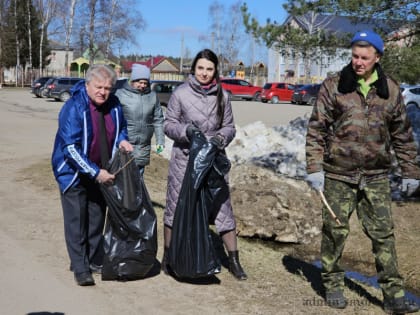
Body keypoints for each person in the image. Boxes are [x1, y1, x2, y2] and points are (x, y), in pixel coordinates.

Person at [305, 30, 420, 313]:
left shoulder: (391, 90)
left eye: (364, 58)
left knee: (383, 234)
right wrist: (314, 167)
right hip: (338, 175)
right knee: (335, 231)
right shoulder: (335, 86)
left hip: (376, 176)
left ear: (377, 58)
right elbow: (317, 129)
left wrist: (410, 171)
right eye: (355, 56)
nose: (358, 62)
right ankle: (332, 284)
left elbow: (402, 135)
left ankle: (393, 295)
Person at [162, 48, 247, 280]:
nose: (205, 73)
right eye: (201, 68)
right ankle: (168, 258)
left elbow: (230, 127)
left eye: (209, 69)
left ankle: (234, 261)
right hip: (185, 161)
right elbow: (168, 124)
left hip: (214, 161)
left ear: (215, 70)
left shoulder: (223, 95)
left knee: (223, 209)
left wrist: (220, 139)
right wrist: (186, 131)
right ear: (193, 69)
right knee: (175, 208)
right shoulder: (180, 94)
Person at [51, 64, 133, 286]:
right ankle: (80, 267)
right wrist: (95, 173)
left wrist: (122, 140)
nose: (103, 92)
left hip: (102, 171)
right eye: (98, 86)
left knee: (96, 219)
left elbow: (121, 128)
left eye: (108, 87)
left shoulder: (114, 105)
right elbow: (69, 148)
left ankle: (93, 260)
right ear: (87, 85)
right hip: (74, 174)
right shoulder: (73, 107)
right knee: (77, 221)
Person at [115, 64, 165, 176]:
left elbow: (158, 120)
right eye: (139, 82)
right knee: (123, 181)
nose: (142, 85)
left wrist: (160, 141)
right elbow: (114, 120)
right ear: (133, 80)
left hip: (143, 146)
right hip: (125, 144)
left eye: (145, 83)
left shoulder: (152, 96)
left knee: (138, 181)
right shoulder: (121, 95)